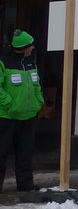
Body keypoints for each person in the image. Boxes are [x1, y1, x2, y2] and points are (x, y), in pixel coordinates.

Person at [0, 29, 45, 192]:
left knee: (25, 152)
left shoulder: (30, 62)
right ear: (22, 47)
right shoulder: (3, 62)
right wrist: (10, 104)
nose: (33, 48)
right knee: (1, 152)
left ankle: (26, 184)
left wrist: (39, 101)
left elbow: (36, 84)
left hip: (28, 116)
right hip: (6, 116)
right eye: (30, 45)